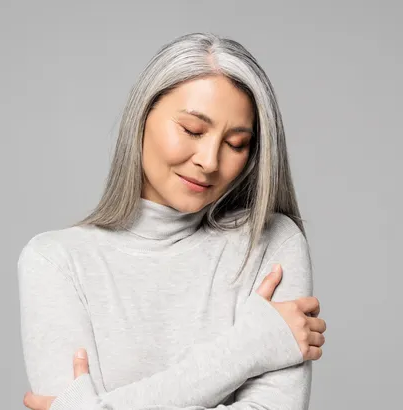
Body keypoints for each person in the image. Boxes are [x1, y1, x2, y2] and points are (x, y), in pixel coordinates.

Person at [17, 32, 327, 410]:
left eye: (235, 144)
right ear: (142, 116)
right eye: (192, 130)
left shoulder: (272, 242)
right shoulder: (54, 261)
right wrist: (249, 348)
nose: (209, 161)